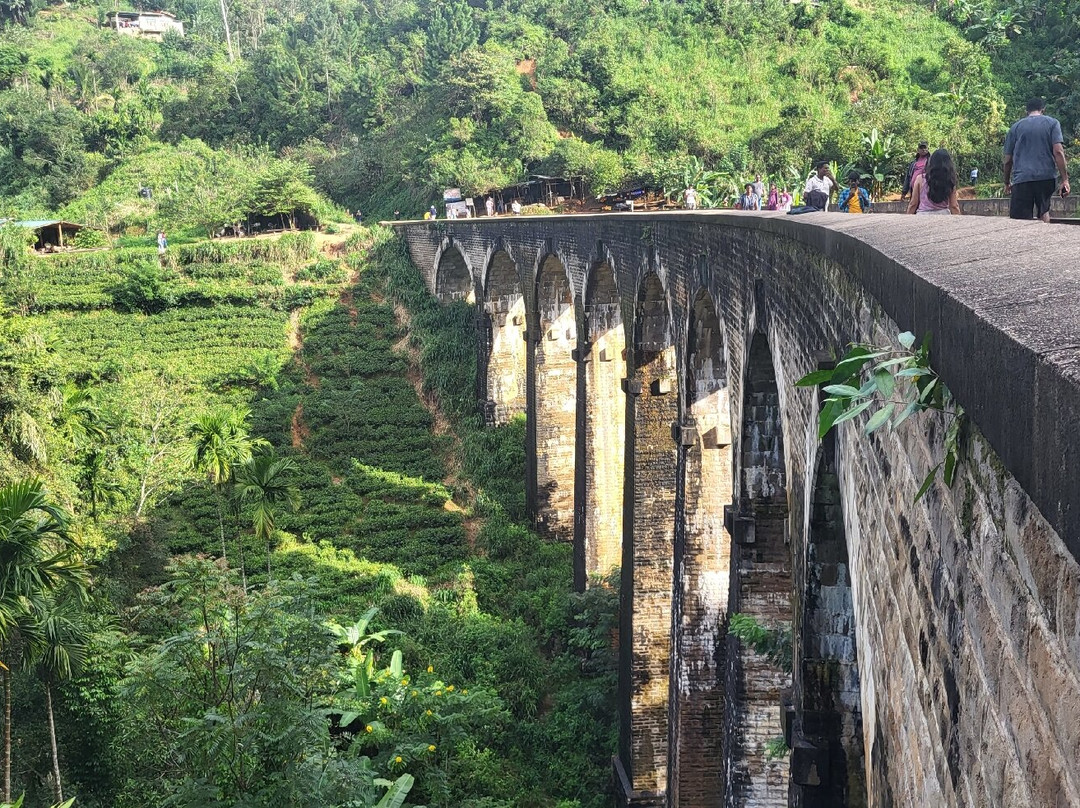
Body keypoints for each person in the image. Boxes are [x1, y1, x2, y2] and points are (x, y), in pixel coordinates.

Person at [1004, 97, 1070, 221]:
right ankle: (1045, 238)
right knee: (1044, 211)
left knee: (1020, 219)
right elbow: (1058, 152)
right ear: (1043, 110)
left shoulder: (1015, 128)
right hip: (1046, 177)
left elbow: (1008, 160)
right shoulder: (1052, 123)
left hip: (1022, 178)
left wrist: (1007, 182)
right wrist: (1065, 180)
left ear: (1026, 111)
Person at [907, 148, 961, 215]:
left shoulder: (920, 179)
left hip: (922, 216)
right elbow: (954, 206)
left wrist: (907, 220)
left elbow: (913, 204)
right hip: (943, 216)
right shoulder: (949, 180)